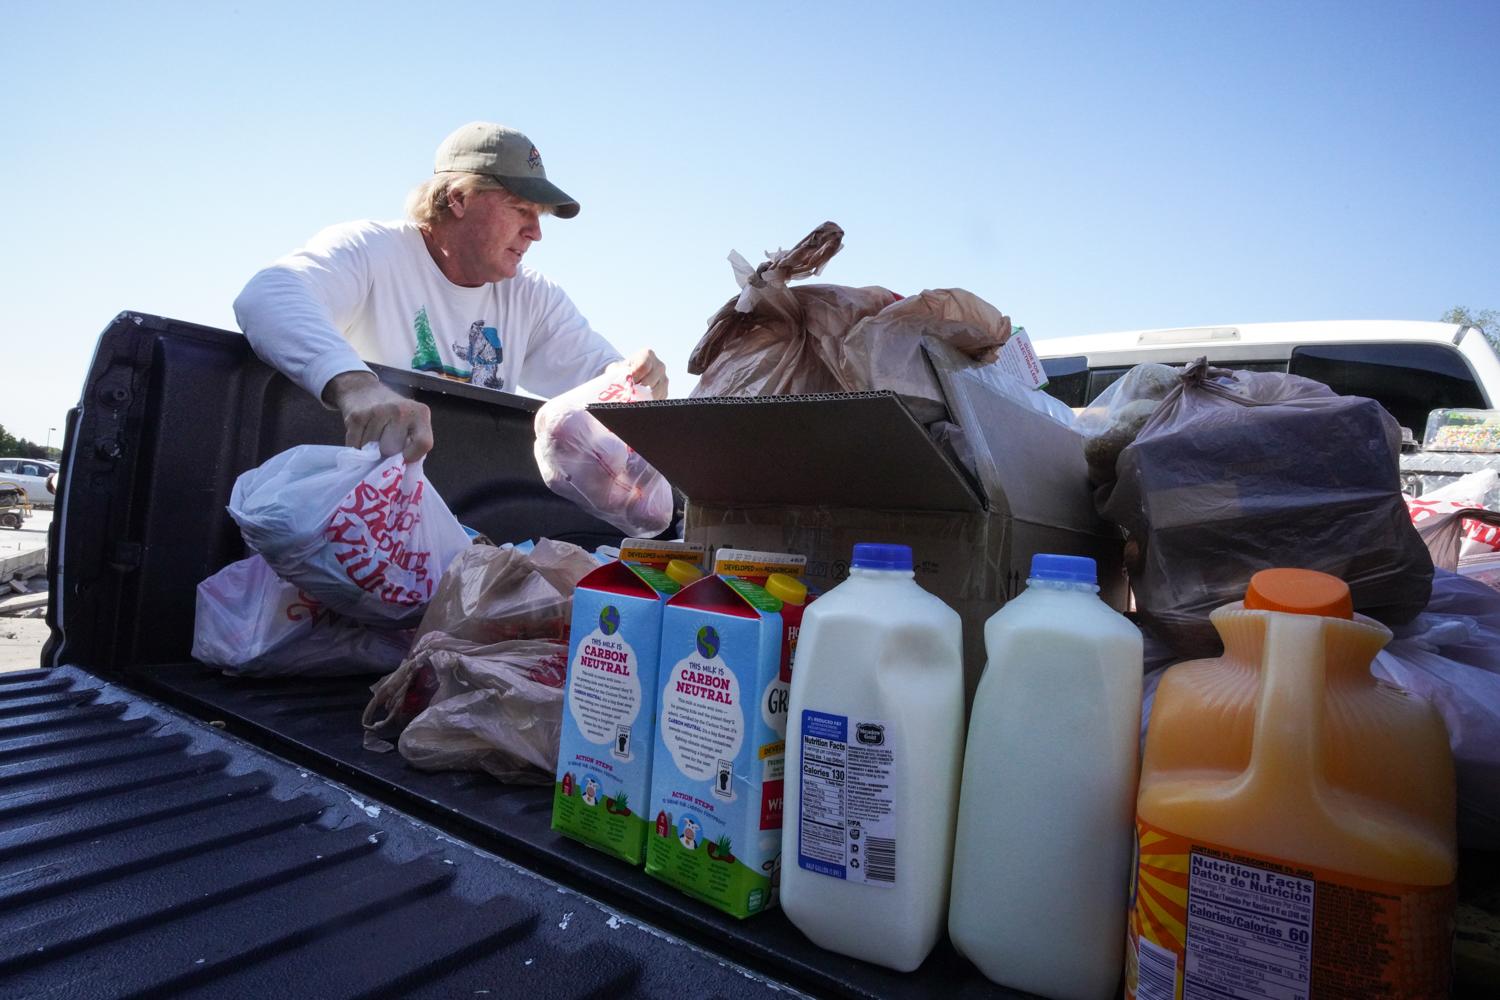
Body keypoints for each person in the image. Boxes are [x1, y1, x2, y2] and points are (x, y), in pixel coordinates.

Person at [235, 121, 667, 461]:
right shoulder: (372, 252)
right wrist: (357, 387)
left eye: (540, 217)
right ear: (458, 199)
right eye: (521, 210)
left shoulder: (530, 296)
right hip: (355, 520)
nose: (535, 233)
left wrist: (638, 383)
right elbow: (268, 296)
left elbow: (604, 384)